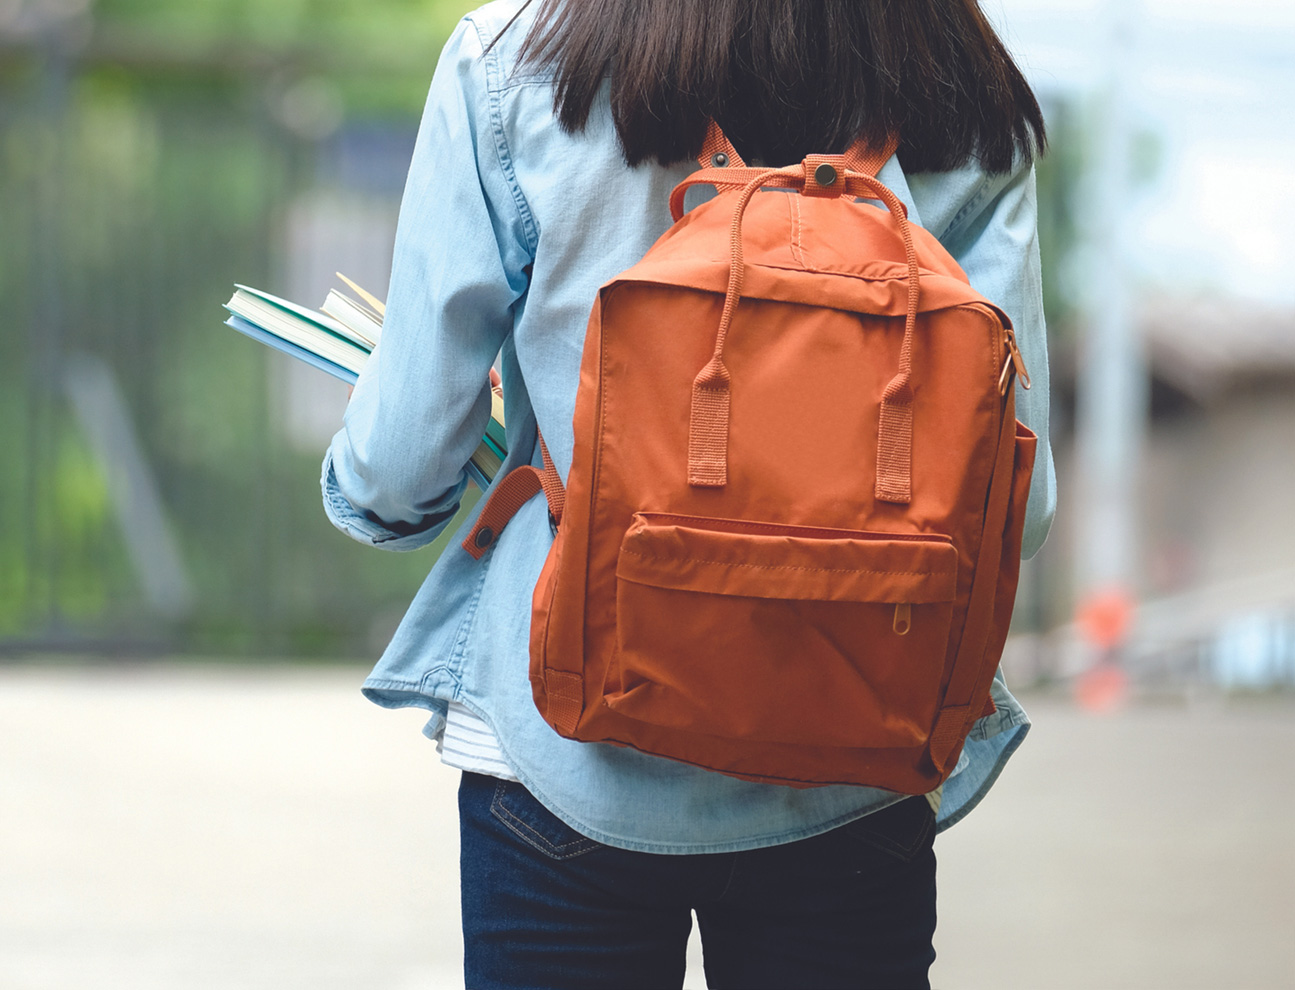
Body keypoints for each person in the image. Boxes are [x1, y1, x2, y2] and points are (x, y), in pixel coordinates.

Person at [322, 1, 1055, 986]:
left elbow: (401, 463)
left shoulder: (517, 61)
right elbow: (1021, 503)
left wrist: (384, 495)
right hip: (856, 751)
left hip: (562, 750)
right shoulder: (958, 82)